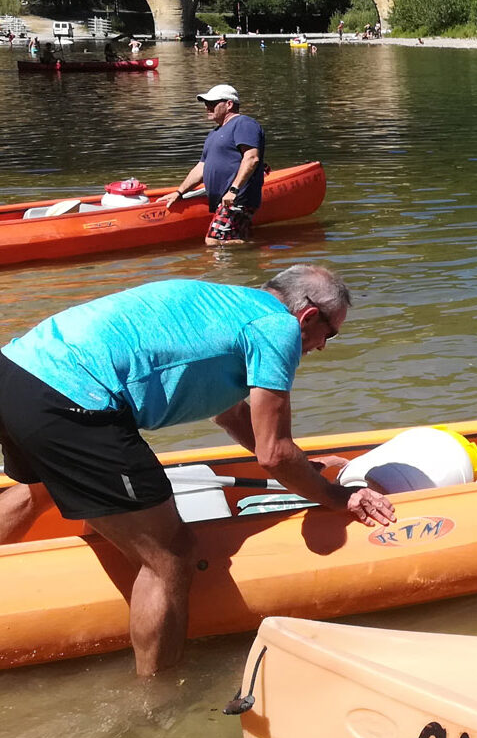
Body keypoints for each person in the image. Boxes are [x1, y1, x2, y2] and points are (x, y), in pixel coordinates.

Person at [0, 267, 394, 675]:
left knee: (41, 491)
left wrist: (305, 470)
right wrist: (337, 496)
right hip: (72, 397)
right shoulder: (278, 329)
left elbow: (230, 414)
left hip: (15, 371)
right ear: (308, 316)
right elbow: (274, 455)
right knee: (171, 555)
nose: (323, 346)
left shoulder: (225, 305)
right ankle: (158, 696)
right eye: (330, 334)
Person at [164, 84, 265, 246]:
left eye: (212, 103)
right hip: (224, 199)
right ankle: (253, 254)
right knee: (235, 238)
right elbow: (201, 167)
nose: (207, 107)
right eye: (206, 103)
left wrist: (233, 190)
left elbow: (252, 158)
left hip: (237, 197)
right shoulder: (214, 134)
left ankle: (261, 248)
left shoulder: (244, 124)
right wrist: (179, 192)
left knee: (214, 240)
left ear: (229, 104)